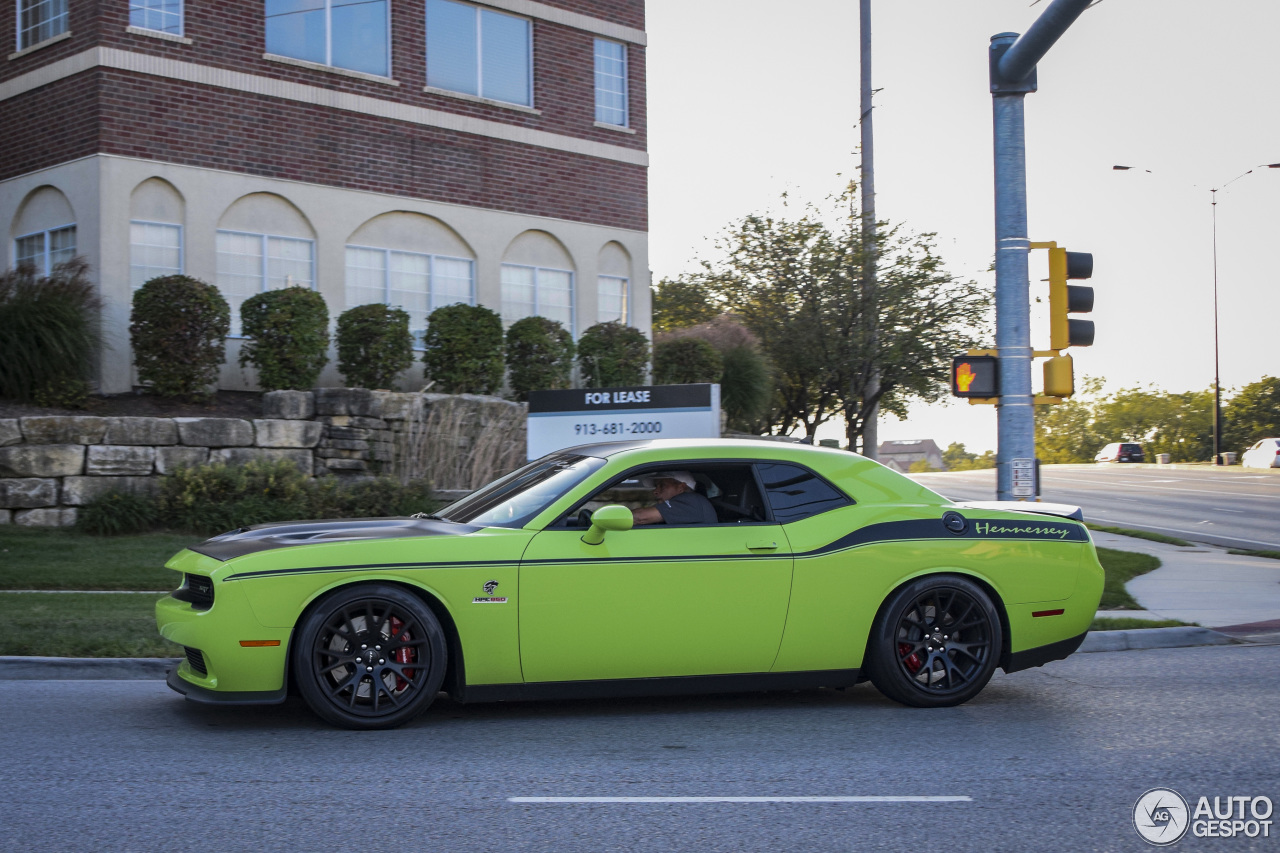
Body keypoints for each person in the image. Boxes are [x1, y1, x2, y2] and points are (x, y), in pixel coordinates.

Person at [631, 470, 717, 525]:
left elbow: (640, 517)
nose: (655, 491)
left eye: (662, 486)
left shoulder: (689, 501)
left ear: (681, 487)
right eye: (656, 486)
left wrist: (618, 515)